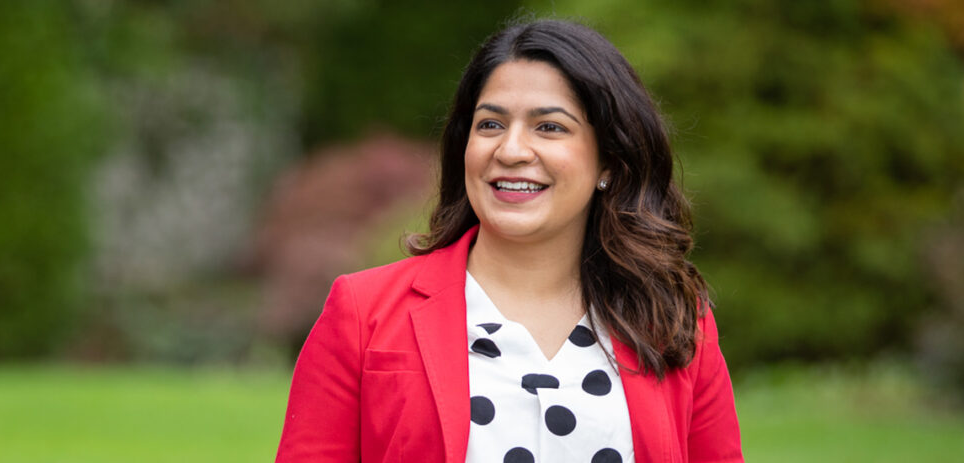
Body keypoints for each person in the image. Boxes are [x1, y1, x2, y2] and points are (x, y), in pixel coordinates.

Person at [274, 19, 743, 463]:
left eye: (550, 127)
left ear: (610, 163)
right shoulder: (363, 312)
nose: (511, 150)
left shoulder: (673, 320)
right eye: (491, 124)